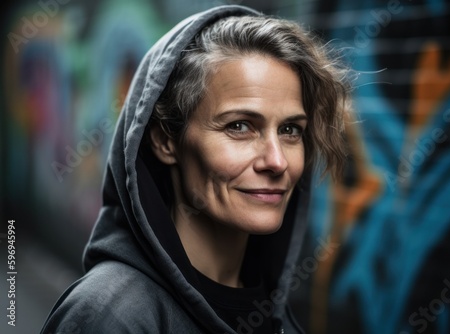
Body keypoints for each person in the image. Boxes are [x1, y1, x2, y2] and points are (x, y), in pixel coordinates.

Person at [41, 4, 350, 334]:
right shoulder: (111, 316)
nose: (277, 161)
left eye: (290, 130)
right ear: (165, 141)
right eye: (240, 126)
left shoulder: (274, 313)